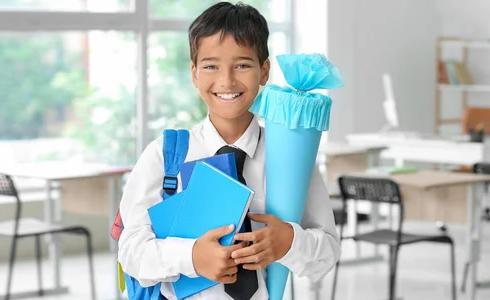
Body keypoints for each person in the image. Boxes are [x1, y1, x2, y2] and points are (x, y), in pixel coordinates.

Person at [117, 2, 341, 299]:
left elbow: (327, 251)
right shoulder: (165, 155)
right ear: (194, 74)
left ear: (264, 71)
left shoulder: (291, 158)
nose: (226, 80)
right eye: (211, 66)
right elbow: (131, 251)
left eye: (242, 65)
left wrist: (290, 242)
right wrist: (192, 256)